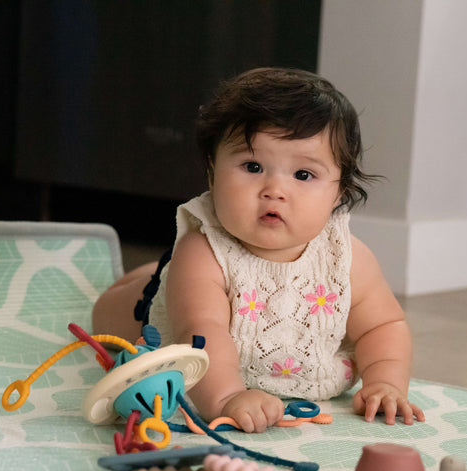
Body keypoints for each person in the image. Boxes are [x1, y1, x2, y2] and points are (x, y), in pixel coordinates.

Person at [92, 67, 425, 433]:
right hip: (153, 316)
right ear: (212, 172)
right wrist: (227, 397)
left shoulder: (347, 260)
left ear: (339, 192)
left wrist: (385, 382)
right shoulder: (204, 252)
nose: (274, 190)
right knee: (111, 314)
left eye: (303, 175)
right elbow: (201, 333)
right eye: (252, 166)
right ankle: (156, 280)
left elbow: (383, 326)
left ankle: (161, 273)